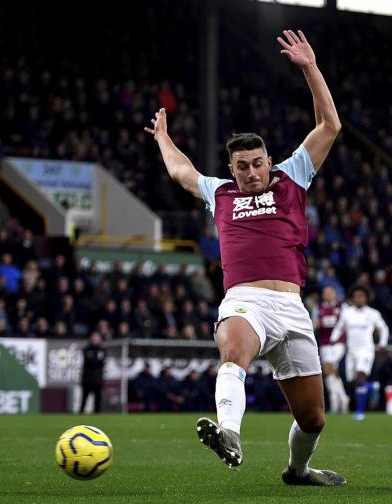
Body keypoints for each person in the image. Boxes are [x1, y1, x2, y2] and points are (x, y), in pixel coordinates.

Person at [144, 28, 345, 486]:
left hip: (292, 307)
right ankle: (229, 434)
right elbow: (181, 171)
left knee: (313, 419)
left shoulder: (293, 176)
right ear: (230, 167)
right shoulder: (220, 193)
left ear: (268, 160)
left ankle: (297, 471)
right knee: (233, 353)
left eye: (257, 163)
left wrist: (310, 68)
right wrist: (162, 137)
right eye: (241, 166)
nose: (251, 173)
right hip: (245, 301)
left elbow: (329, 125)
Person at [329, 284, 388, 420]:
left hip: (366, 350)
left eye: (361, 296)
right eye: (356, 296)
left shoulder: (373, 314)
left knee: (361, 376)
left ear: (366, 298)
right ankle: (372, 387)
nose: (358, 299)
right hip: (351, 351)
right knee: (353, 381)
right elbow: (339, 327)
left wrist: (383, 343)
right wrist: (333, 339)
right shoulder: (347, 313)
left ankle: (359, 412)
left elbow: (383, 328)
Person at [313, 285, 349, 413]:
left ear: (335, 294)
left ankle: (335, 400)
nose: (327, 294)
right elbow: (314, 325)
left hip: (338, 343)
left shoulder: (342, 307)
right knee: (331, 372)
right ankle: (342, 398)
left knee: (329, 366)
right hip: (324, 344)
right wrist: (316, 325)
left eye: (330, 292)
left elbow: (346, 324)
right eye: (325, 292)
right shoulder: (318, 308)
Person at [80, 332, 106, 413]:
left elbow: (102, 362)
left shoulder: (102, 350)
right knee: (84, 398)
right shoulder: (87, 349)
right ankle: (81, 413)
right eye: (94, 337)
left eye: (97, 337)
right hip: (87, 378)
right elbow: (91, 362)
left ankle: (97, 415)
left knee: (98, 399)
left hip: (98, 379)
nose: (95, 339)